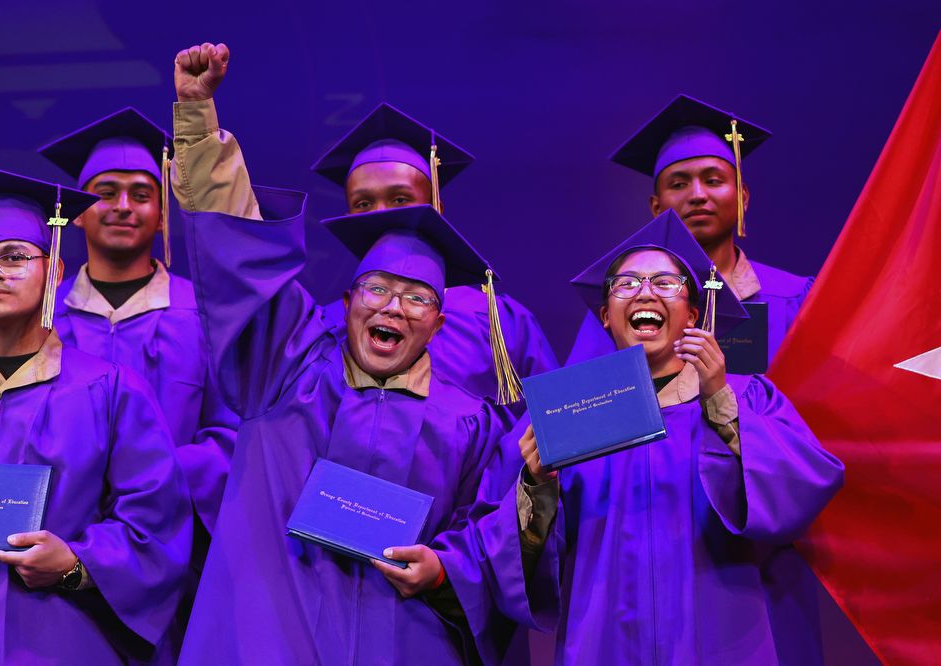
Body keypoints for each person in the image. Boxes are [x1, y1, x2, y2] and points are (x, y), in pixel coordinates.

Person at [169, 42, 558, 664]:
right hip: (273, 636)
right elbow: (243, 255)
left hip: (404, 640)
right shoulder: (290, 365)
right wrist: (199, 118)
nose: (392, 308)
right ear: (348, 300)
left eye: (415, 299)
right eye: (376, 290)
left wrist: (442, 568)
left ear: (439, 319)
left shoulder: (470, 418)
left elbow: (495, 523)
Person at [517, 208, 843, 664]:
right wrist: (537, 485)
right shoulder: (572, 411)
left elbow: (803, 491)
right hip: (603, 638)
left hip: (721, 634)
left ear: (692, 313)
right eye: (626, 284)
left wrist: (720, 405)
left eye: (665, 283)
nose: (644, 292)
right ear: (605, 317)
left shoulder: (747, 397)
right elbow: (518, 549)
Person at [0, 167, 192, 664]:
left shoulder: (109, 389)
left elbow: (155, 526)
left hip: (60, 642)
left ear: (54, 270)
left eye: (14, 257)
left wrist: (78, 563)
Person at [39, 107, 238, 547]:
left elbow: (231, 433)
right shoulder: (45, 318)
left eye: (142, 194)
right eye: (106, 193)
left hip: (180, 542)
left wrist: (150, 477)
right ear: (78, 213)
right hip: (61, 538)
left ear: (164, 214)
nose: (123, 207)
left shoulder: (204, 316)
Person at [312, 101, 558, 409]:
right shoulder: (325, 324)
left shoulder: (499, 321)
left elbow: (549, 424)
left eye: (400, 199)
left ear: (436, 205)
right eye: (363, 204)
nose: (380, 216)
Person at [568, 95, 813, 366]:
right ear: (657, 207)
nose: (697, 195)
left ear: (742, 197)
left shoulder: (793, 297)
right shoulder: (623, 302)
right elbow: (585, 401)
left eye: (713, 180)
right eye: (678, 185)